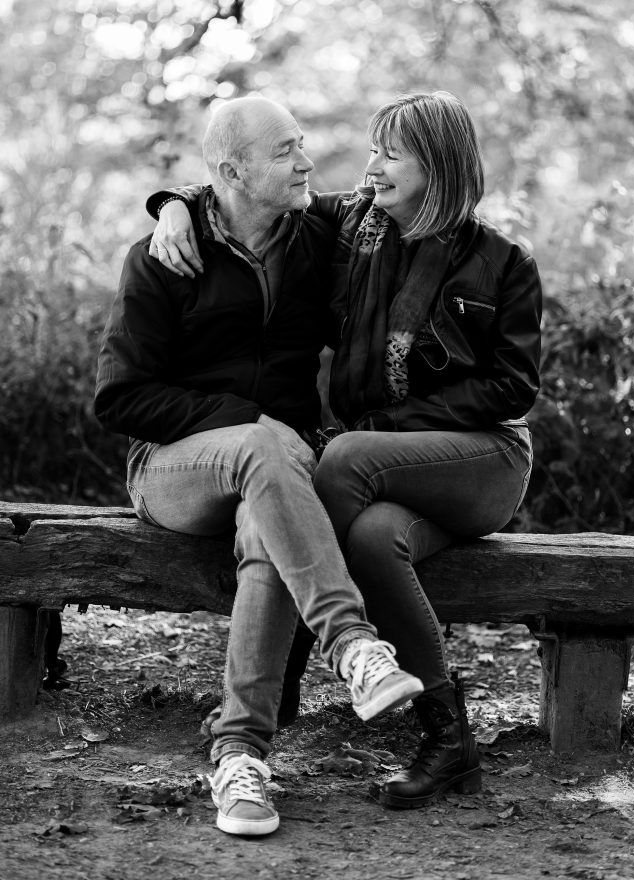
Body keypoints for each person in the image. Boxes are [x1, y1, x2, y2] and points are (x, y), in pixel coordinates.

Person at [149, 90, 543, 811]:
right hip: (384, 475)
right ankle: (449, 741)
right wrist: (173, 203)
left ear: (438, 166)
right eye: (372, 151)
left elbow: (511, 387)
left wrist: (388, 428)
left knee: (335, 462)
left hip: (480, 462)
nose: (372, 168)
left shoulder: (502, 262)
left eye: (390, 155)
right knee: (369, 539)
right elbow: (243, 189)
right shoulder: (352, 226)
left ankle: (283, 678)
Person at [94, 95, 424, 839]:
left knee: (266, 528)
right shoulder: (161, 259)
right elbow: (120, 399)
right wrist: (249, 422)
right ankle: (351, 643)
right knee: (266, 448)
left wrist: (174, 198)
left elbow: (398, 193)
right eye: (285, 151)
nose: (307, 161)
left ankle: (240, 758)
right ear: (234, 172)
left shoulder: (318, 231)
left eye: (302, 143)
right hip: (172, 470)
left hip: (274, 481)